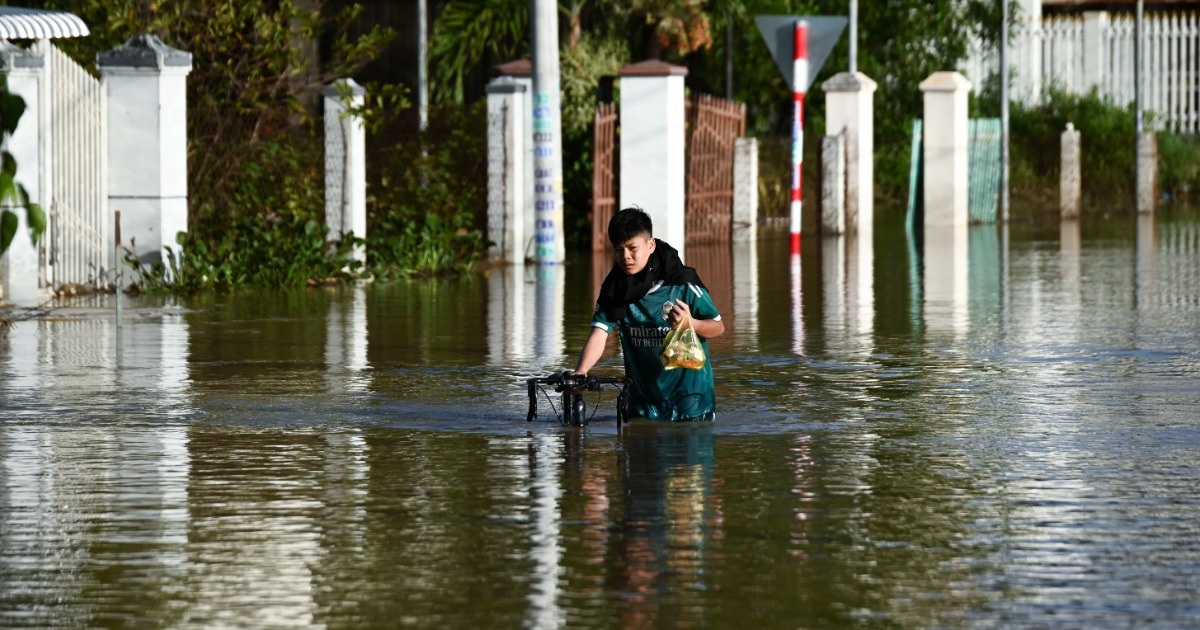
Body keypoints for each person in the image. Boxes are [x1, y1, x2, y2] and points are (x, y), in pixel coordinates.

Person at [572, 208, 724, 421]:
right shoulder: (614, 290)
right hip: (642, 402)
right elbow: (599, 334)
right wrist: (581, 372)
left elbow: (718, 326)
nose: (625, 257)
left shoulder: (683, 284)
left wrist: (692, 324)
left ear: (650, 245)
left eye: (632, 248)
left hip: (691, 400)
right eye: (618, 250)